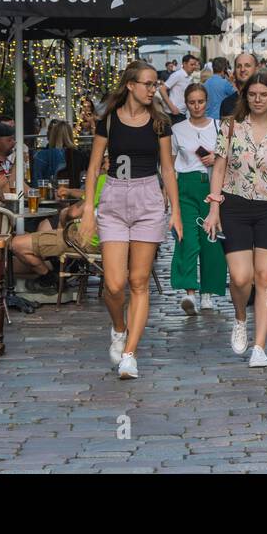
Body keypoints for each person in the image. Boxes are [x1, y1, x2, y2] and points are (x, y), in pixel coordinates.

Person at [80, 60, 183, 380]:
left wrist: (176, 211)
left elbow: (167, 168)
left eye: (155, 85)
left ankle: (129, 355)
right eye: (149, 84)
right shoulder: (108, 121)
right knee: (113, 285)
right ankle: (118, 327)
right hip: (113, 197)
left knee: (138, 281)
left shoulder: (160, 123)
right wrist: (87, 210)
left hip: (148, 199)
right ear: (131, 85)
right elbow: (94, 166)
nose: (154, 90)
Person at [203, 67, 267, 366]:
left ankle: (260, 344)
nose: (258, 99)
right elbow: (219, 168)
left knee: (266, 277)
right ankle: (239, 317)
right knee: (240, 277)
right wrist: (214, 207)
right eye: (252, 95)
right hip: (234, 206)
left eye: (263, 95)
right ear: (244, 96)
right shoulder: (232, 127)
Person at [170, 83, 227, 314]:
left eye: (200, 101)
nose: (196, 106)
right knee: (187, 238)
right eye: (192, 102)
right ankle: (190, 292)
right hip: (185, 185)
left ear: (207, 102)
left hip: (211, 184)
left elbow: (229, 157)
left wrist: (216, 157)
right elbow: (170, 164)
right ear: (186, 103)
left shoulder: (218, 126)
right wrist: (169, 194)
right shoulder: (177, 130)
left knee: (211, 239)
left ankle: (208, 293)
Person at [32, 120, 77, 185]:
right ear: (70, 135)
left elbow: (36, 182)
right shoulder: (79, 155)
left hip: (48, 192)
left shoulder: (41, 155)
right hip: (75, 192)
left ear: (52, 135)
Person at [219, 52, 257, 118]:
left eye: (247, 65)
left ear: (256, 69)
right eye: (239, 66)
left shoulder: (265, 101)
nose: (242, 69)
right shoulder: (227, 103)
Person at [162, 54, 199, 122]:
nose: (194, 67)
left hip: (182, 113)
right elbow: (162, 89)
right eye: (191, 64)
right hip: (174, 114)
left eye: (195, 65)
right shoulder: (178, 74)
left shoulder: (189, 77)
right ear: (184, 64)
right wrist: (172, 107)